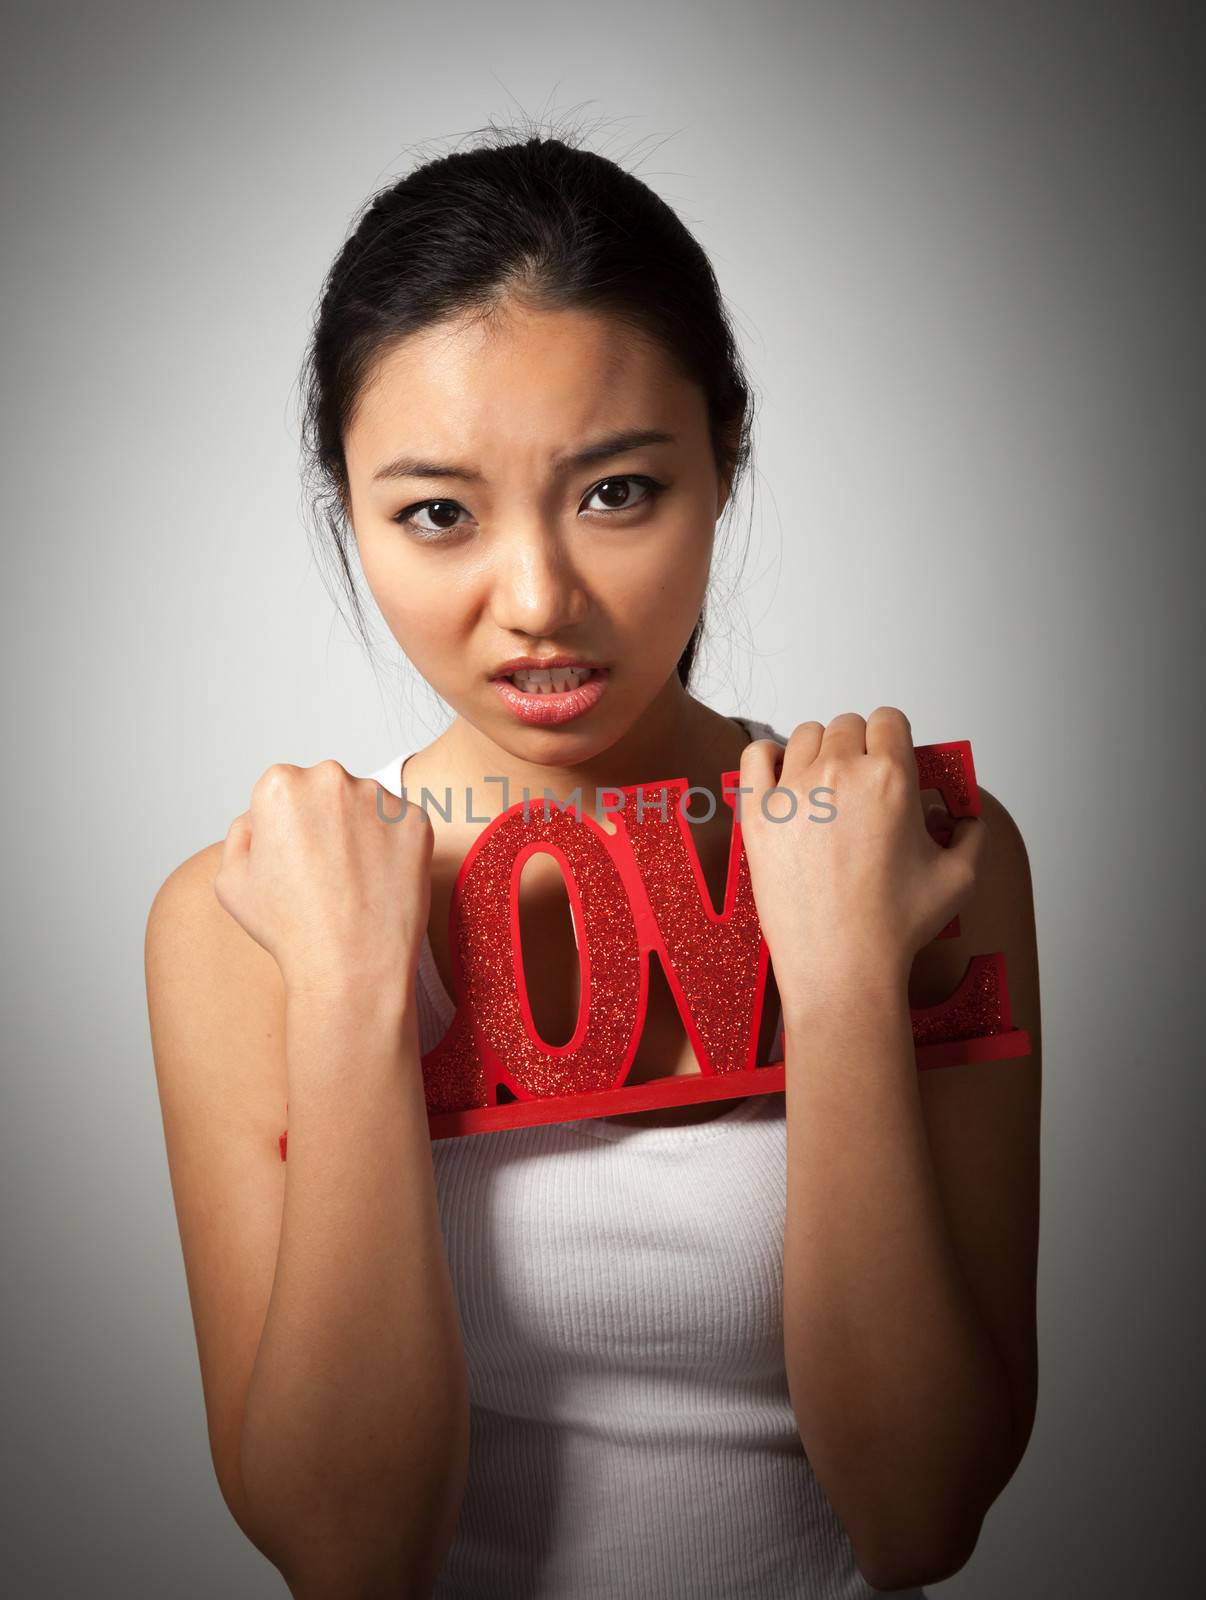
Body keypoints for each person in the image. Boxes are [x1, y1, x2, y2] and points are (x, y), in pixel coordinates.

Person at [144, 121, 1041, 1600]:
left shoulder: (919, 855)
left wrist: (837, 989)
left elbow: (920, 1518)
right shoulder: (240, 917)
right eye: (437, 513)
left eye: (616, 490)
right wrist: (356, 1001)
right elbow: (345, 1561)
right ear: (347, 513)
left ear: (724, 456)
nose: (538, 600)